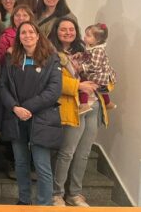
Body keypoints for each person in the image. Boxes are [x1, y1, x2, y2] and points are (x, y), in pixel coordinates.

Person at [0, 21, 61, 206]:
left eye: (31, 32)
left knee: (42, 166)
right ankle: (24, 200)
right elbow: (2, 86)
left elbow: (54, 90)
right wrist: (15, 108)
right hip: (17, 118)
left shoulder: (51, 58)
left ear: (38, 35)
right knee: (20, 164)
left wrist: (28, 108)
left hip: (41, 119)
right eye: (23, 32)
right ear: (18, 37)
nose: (27, 35)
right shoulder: (11, 58)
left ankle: (43, 205)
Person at [48, 17, 109, 207]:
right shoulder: (51, 52)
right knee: (67, 152)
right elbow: (52, 81)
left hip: (94, 105)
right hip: (72, 105)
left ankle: (75, 193)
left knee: (83, 153)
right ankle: (56, 194)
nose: (68, 32)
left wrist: (104, 81)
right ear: (56, 32)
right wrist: (79, 85)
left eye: (71, 29)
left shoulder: (87, 51)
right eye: (63, 29)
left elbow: (104, 72)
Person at [74, 23, 117, 113]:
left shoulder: (98, 50)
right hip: (98, 73)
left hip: (99, 74)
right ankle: (108, 102)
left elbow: (95, 65)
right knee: (101, 89)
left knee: (84, 83)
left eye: (88, 36)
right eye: (85, 34)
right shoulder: (91, 47)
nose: (85, 37)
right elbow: (87, 56)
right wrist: (80, 54)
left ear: (97, 40)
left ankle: (84, 105)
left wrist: (82, 67)